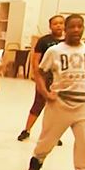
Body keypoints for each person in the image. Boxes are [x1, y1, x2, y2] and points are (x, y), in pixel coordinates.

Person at [25, 14, 85, 170]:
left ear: (83, 28)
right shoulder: (55, 51)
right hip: (60, 103)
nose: (76, 30)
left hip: (84, 105)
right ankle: (36, 161)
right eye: (71, 26)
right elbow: (39, 73)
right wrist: (45, 93)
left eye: (79, 26)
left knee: (84, 143)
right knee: (47, 139)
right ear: (65, 29)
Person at [17, 15, 65, 145]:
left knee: (57, 106)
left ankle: (53, 134)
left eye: (61, 23)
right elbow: (36, 59)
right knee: (38, 103)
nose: (59, 26)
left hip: (60, 78)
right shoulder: (44, 41)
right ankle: (26, 130)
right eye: (55, 23)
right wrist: (37, 75)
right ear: (50, 26)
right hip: (45, 76)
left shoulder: (68, 41)